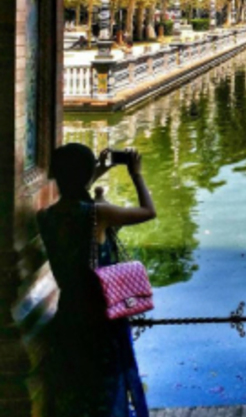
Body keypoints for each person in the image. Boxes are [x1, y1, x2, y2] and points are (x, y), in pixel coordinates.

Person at [37, 143, 156, 417]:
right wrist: (136, 174)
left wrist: (98, 170)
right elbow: (148, 211)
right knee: (106, 388)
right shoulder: (98, 214)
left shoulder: (45, 216)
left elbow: (72, 190)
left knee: (77, 388)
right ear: (86, 175)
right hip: (101, 316)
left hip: (69, 312)